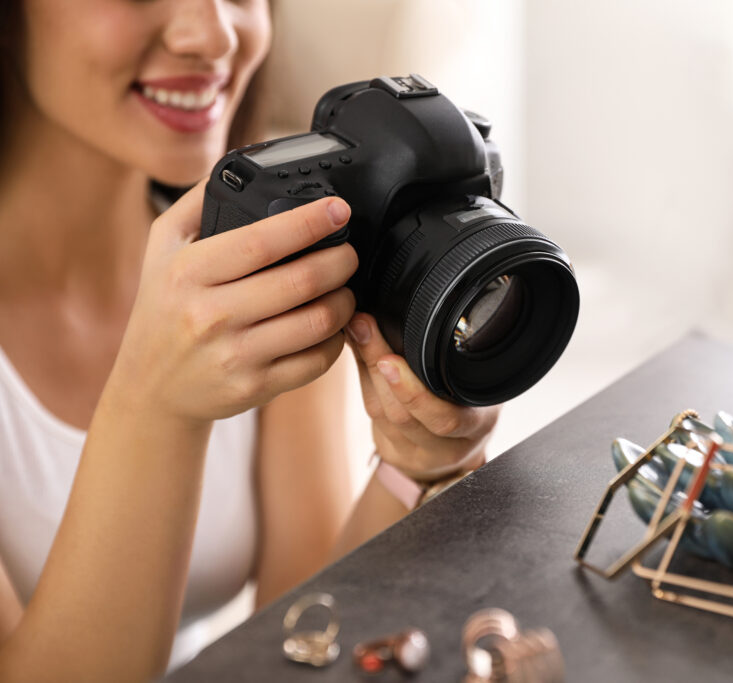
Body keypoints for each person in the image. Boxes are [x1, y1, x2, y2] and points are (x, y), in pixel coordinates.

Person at [0, 1, 500, 680]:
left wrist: (412, 465)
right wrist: (157, 400)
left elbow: (298, 635)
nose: (213, 34)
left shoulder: (264, 252)